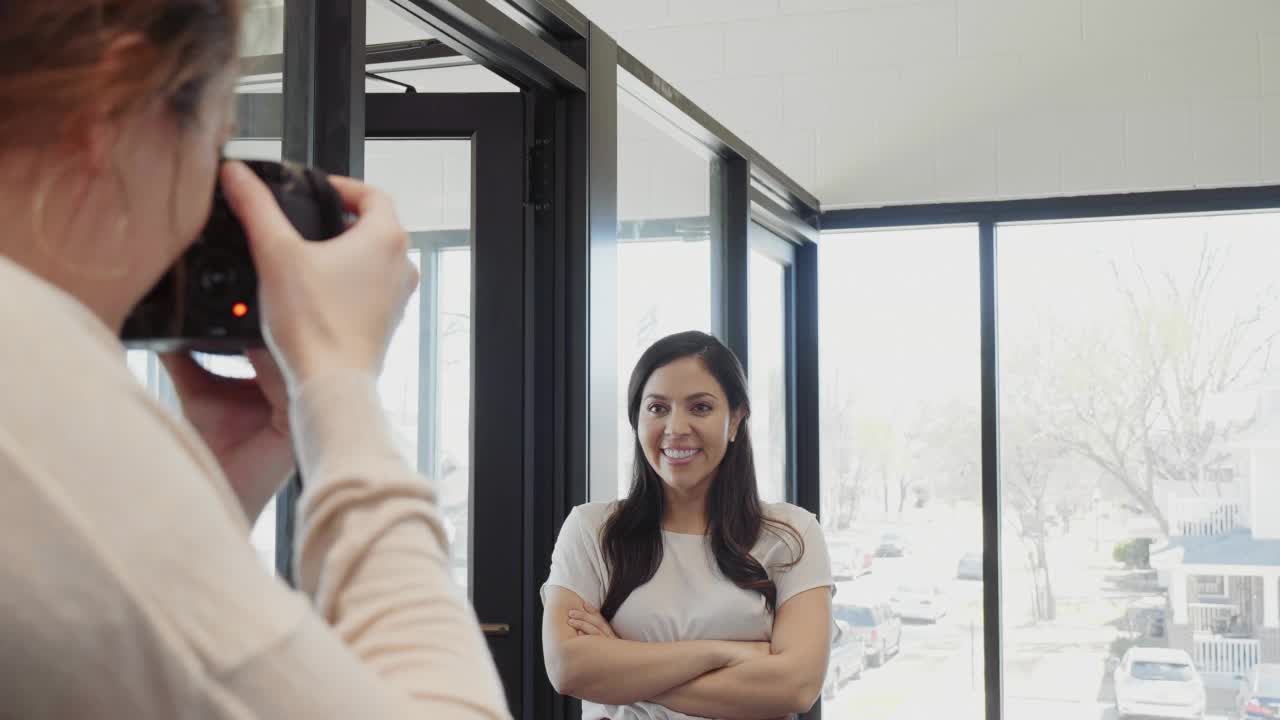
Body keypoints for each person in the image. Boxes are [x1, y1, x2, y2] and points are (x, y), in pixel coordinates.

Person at [0, 2, 508, 718]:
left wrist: (208, 493)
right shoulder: (33, 386)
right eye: (214, 149)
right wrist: (339, 389)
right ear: (117, 109)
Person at [541, 331, 834, 720]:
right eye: (657, 408)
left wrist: (624, 666)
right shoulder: (592, 529)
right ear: (637, 419)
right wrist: (726, 653)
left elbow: (796, 687)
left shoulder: (792, 534)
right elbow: (568, 669)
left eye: (699, 408)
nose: (675, 427)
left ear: (736, 420)